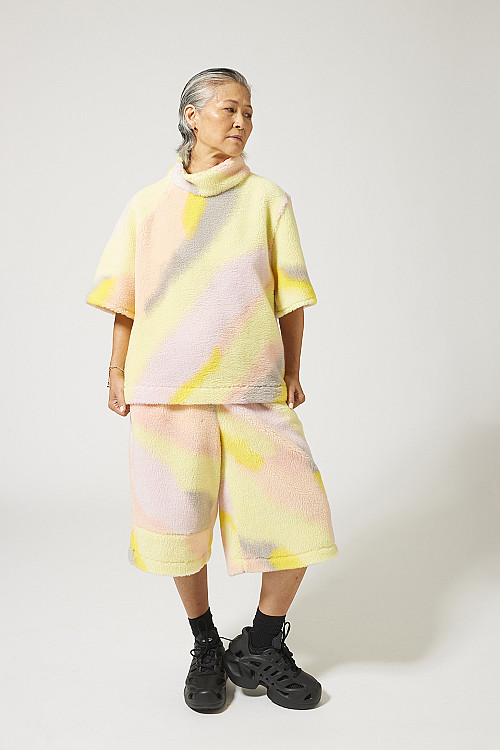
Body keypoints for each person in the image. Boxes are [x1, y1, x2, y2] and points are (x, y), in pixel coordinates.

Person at [85, 67, 339, 713]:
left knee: (299, 516)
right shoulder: (147, 206)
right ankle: (205, 644)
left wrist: (292, 370)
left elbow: (290, 298)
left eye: (249, 112)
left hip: (252, 386)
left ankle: (261, 643)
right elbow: (126, 300)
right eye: (230, 109)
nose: (243, 122)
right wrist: (116, 371)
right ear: (191, 116)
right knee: (178, 526)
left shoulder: (268, 200)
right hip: (165, 389)